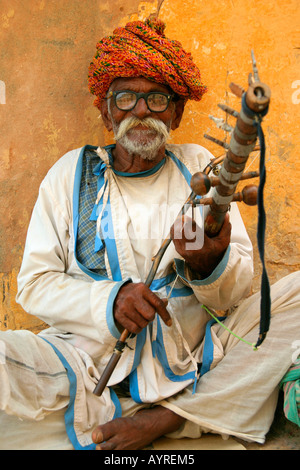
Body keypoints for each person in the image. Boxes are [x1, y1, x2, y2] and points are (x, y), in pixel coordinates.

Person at [0, 17, 299, 451]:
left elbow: (235, 295)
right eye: (126, 98)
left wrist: (208, 265)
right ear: (107, 111)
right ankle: (165, 417)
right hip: (87, 366)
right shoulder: (70, 175)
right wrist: (110, 301)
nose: (142, 111)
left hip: (197, 361)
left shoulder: (200, 167)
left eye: (157, 99)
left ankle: (165, 418)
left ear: (175, 112)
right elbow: (33, 284)